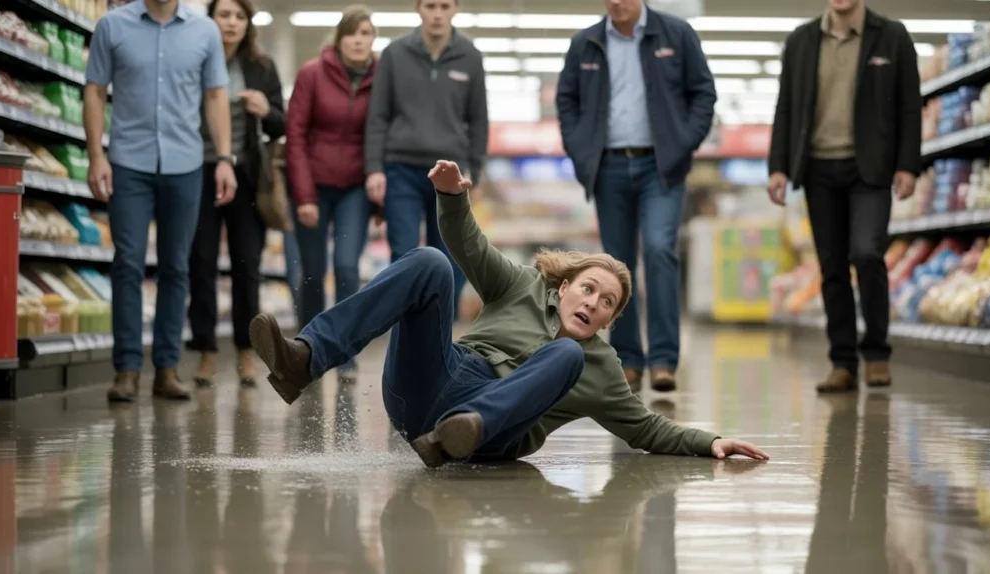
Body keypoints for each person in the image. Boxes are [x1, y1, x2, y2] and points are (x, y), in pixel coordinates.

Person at [248, 160, 769, 468]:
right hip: (436, 380)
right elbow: (468, 245)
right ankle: (305, 359)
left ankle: (462, 430)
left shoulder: (600, 366)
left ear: (610, 321)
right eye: (588, 289)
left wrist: (712, 442)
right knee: (431, 261)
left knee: (566, 355)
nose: (592, 303)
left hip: (488, 434)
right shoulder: (521, 285)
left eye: (606, 303)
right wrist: (451, 198)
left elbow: (648, 429)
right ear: (564, 286)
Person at [555, 0, 717, 394]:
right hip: (608, 167)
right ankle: (628, 360)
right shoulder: (586, 43)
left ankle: (663, 360)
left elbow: (703, 94)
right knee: (616, 266)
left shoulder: (676, 35)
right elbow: (567, 100)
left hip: (659, 166)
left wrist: (681, 144)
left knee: (661, 250)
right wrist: (582, 151)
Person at [85, 0, 236, 402]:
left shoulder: (205, 31)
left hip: (185, 163)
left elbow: (216, 96)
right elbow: (95, 90)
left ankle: (166, 369)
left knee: (176, 266)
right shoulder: (112, 26)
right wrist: (96, 155)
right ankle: (127, 369)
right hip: (127, 161)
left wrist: (224, 159)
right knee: (128, 262)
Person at [767, 0, 920, 393]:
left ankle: (877, 354)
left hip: (870, 168)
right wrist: (778, 166)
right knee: (831, 267)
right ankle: (843, 363)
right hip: (818, 169)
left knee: (867, 252)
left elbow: (908, 105)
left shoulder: (892, 36)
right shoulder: (801, 41)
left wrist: (908, 164)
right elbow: (785, 106)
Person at [363, 0, 488, 318]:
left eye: (444, 6)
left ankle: (438, 327)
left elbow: (478, 119)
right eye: (430, 5)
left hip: (450, 172)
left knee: (451, 257)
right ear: (418, 8)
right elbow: (378, 116)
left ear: (456, 8)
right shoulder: (394, 53)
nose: (437, 13)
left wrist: (477, 170)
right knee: (404, 255)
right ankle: (408, 328)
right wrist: (374, 169)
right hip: (400, 168)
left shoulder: (470, 56)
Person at [187, 0, 285, 389]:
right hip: (197, 171)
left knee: (248, 263)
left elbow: (281, 123)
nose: (231, 23)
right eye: (224, 15)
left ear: (249, 24)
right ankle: (207, 351)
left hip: (246, 174)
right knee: (201, 260)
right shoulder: (194, 58)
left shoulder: (261, 67)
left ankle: (246, 351)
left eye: (239, 17)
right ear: (210, 19)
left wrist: (267, 110)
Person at [285, 4, 378, 385]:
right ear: (339, 40)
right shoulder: (312, 74)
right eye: (352, 34)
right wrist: (304, 195)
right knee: (311, 271)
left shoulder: (382, 78)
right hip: (314, 186)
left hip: (356, 187)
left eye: (366, 33)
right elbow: (295, 136)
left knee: (346, 267)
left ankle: (343, 352)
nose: (359, 40)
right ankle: (308, 349)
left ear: (373, 40)